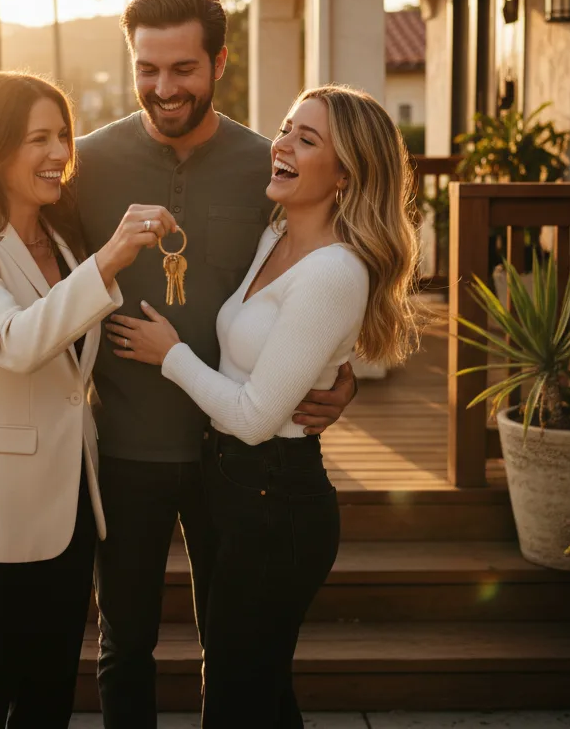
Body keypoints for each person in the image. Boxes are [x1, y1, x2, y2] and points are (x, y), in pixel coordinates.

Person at [0, 0, 358, 727]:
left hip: (228, 454)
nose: (164, 88)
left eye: (183, 69)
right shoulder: (82, 165)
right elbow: (11, 261)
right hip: (119, 451)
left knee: (229, 648)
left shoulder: (269, 166)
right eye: (147, 69)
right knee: (122, 644)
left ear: (219, 62)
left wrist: (343, 372)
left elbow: (315, 272)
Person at [104, 84, 421, 727]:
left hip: (278, 500)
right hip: (239, 487)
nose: (282, 146)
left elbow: (253, 416)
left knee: (236, 700)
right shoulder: (276, 234)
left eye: (308, 140)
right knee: (258, 695)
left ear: (346, 173)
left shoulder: (334, 272)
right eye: (285, 128)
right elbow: (276, 353)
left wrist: (168, 354)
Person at [0, 71, 179, 728]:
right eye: (37, 139)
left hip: (65, 514)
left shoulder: (58, 240)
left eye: (63, 135)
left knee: (49, 702)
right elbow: (14, 341)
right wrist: (110, 257)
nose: (58, 152)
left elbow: (66, 370)